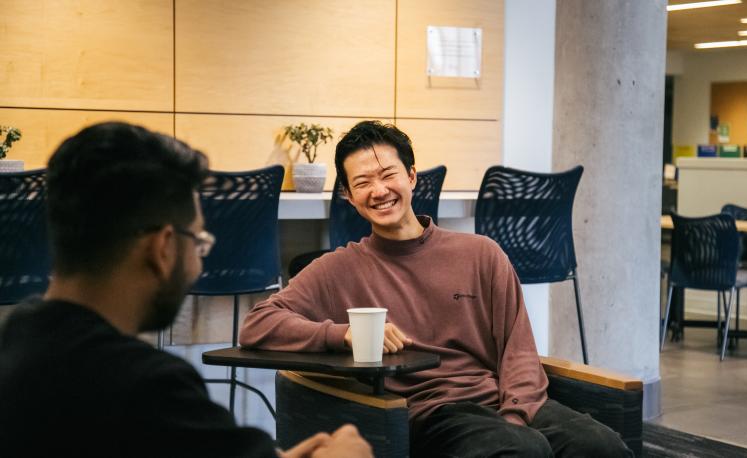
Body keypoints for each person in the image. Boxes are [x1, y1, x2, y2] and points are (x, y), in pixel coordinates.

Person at [239, 120, 633, 457]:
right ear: (349, 197)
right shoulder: (339, 268)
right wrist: (341, 334)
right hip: (429, 412)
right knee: (521, 450)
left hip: (497, 398)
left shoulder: (481, 254)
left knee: (601, 446)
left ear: (411, 177)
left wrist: (516, 414)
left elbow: (518, 350)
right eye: (362, 182)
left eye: (388, 174)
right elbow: (257, 325)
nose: (379, 190)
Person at [0, 122, 372, 458]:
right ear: (162, 249)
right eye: (198, 243)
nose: (196, 263)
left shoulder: (18, 339)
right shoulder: (147, 389)